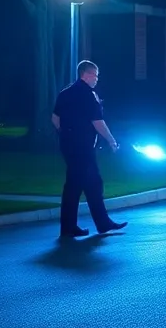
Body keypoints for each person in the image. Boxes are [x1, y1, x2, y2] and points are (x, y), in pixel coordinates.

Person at [51, 60, 128, 238]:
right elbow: (98, 122)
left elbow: (55, 119)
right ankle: (88, 225)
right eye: (95, 75)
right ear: (85, 75)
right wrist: (112, 141)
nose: (96, 79)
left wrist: (66, 134)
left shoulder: (65, 92)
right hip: (83, 147)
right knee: (83, 184)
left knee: (83, 184)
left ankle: (86, 225)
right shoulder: (88, 94)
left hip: (68, 145)